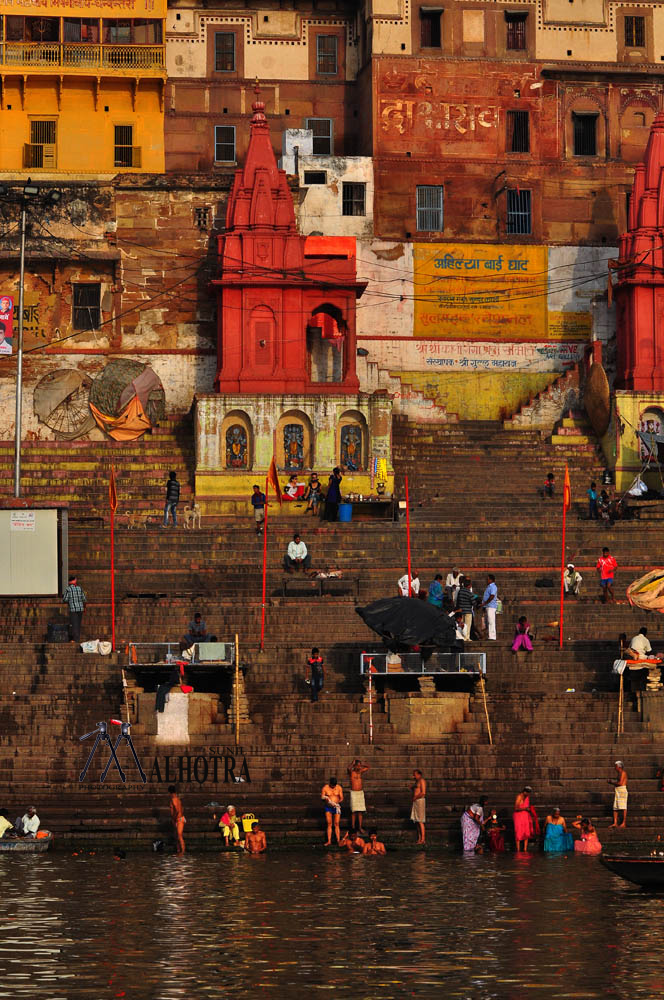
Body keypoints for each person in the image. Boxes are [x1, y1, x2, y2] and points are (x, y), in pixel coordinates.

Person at [62, 574, 86, 644]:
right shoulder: (79, 588)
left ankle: (76, 640)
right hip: (80, 609)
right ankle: (77, 639)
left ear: (69, 582)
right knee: (78, 624)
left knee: (74, 624)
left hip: (73, 609)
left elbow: (65, 599)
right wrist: (84, 607)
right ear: (75, 581)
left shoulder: (68, 589)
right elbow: (84, 598)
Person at [347, 758, 370, 833]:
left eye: (360, 766)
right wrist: (352, 763)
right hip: (354, 793)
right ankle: (353, 828)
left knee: (360, 811)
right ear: (355, 766)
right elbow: (348, 768)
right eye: (358, 766)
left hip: (360, 793)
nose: (359, 767)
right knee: (354, 811)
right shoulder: (351, 772)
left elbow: (368, 767)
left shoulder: (360, 771)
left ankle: (360, 827)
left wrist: (362, 764)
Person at [513, 786, 537, 851]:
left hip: (525, 816)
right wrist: (525, 808)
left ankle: (525, 849)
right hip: (518, 816)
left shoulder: (527, 797)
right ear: (524, 792)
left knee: (526, 832)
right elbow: (516, 808)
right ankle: (518, 850)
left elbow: (527, 806)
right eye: (528, 793)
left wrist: (530, 809)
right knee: (518, 832)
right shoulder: (519, 797)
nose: (528, 795)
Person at [322, 777, 343, 846]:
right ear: (330, 783)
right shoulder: (325, 788)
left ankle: (338, 840)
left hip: (336, 807)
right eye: (332, 785)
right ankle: (329, 841)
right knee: (329, 823)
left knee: (336, 823)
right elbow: (322, 797)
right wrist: (326, 799)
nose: (333, 787)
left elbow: (341, 798)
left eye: (334, 785)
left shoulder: (339, 787)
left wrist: (336, 803)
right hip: (328, 807)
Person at [610, 761, 628, 829]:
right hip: (618, 791)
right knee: (615, 807)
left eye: (616, 766)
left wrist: (611, 782)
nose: (615, 768)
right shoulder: (619, 773)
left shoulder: (623, 773)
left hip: (622, 791)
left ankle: (624, 822)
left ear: (619, 767)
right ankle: (615, 823)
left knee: (623, 807)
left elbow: (620, 783)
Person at [168, 785, 186, 854]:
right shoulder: (178, 799)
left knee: (179, 835)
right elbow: (181, 809)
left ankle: (183, 852)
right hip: (179, 818)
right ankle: (178, 851)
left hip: (178, 819)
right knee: (176, 836)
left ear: (170, 793)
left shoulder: (174, 800)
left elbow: (177, 810)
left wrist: (174, 818)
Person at [411, 769, 426, 845]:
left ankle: (423, 839)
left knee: (420, 821)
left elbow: (423, 793)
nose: (413, 776)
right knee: (416, 820)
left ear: (419, 774)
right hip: (416, 801)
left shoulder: (422, 781)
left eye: (415, 775)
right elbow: (416, 789)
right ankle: (419, 838)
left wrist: (416, 797)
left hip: (420, 801)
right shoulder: (416, 782)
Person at [482, 574, 499, 641]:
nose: (486, 580)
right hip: (487, 606)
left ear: (491, 580)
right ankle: (490, 636)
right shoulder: (488, 587)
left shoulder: (493, 586)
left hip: (491, 606)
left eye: (488, 579)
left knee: (491, 621)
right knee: (488, 622)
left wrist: (485, 603)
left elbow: (492, 596)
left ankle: (492, 636)